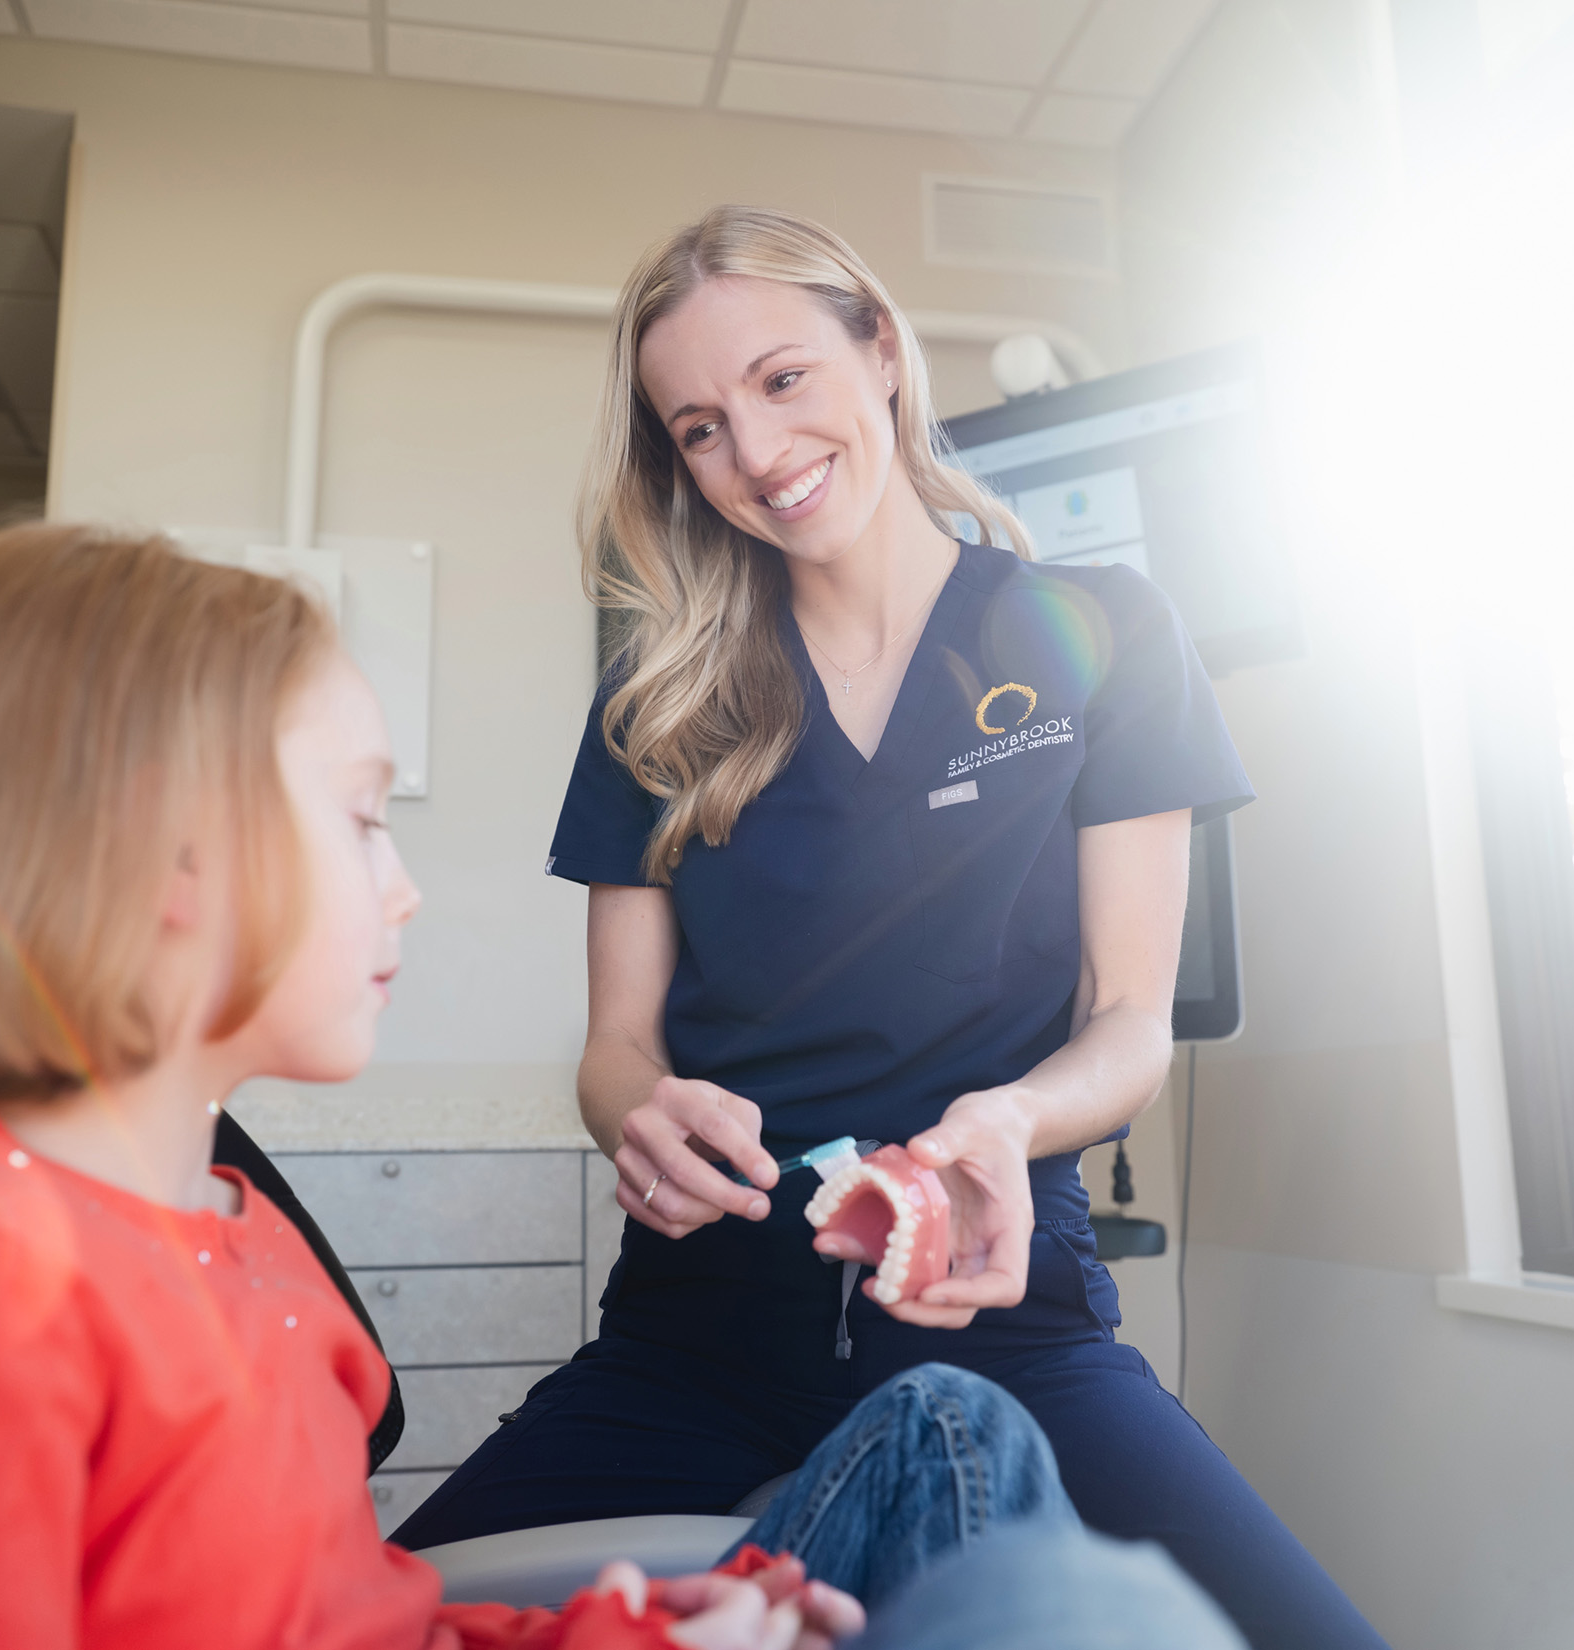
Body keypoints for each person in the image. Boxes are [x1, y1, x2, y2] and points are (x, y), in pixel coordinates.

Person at [0, 524, 1244, 1650]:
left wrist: (640, 1630)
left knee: (948, 1435)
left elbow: (356, 1622)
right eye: (363, 821)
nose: (406, 888)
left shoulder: (235, 1231)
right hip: (696, 1351)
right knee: (1091, 1607)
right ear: (160, 855)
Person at [389, 209, 1388, 1650]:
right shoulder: (654, 709)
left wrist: (1008, 1118)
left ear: (879, 348)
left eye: (784, 380)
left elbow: (1126, 1019)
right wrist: (640, 1115)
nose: (757, 451)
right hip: (697, 1337)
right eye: (701, 428)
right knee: (347, 1626)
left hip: (1013, 1324)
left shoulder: (1097, 627)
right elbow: (616, 1046)